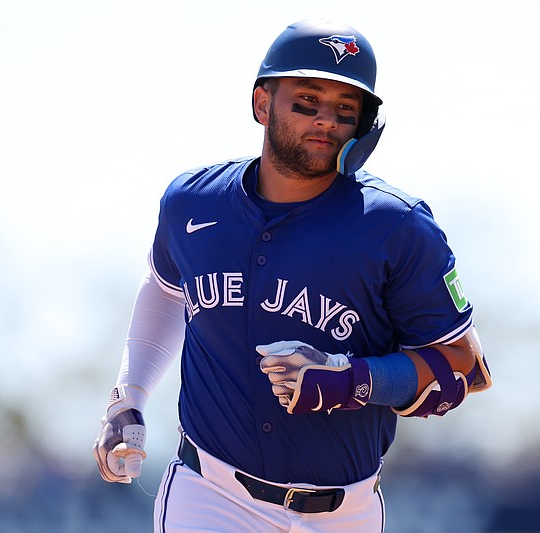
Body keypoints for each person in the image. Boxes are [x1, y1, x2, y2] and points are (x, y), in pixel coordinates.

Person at [93, 18, 492, 533]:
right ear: (263, 104)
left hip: (344, 512)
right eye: (307, 100)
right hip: (210, 495)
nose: (325, 120)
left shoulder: (396, 225)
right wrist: (129, 396)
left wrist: (353, 379)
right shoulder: (191, 203)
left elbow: (466, 367)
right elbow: (168, 291)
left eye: (345, 109)